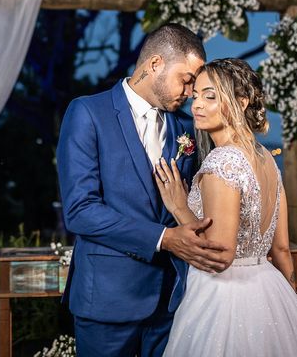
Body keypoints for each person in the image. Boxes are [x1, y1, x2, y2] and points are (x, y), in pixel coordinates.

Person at [57, 23, 230, 356]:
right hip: (107, 300)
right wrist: (163, 238)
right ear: (155, 65)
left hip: (173, 299)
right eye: (187, 79)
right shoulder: (88, 113)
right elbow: (80, 211)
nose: (191, 91)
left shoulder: (185, 127)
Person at [154, 58, 297, 356]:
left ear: (241, 101)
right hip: (269, 290)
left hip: (225, 300)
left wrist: (179, 207)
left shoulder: (223, 161)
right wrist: (292, 306)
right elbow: (282, 250)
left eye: (210, 96)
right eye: (196, 95)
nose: (196, 104)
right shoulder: (267, 159)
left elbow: (220, 255)